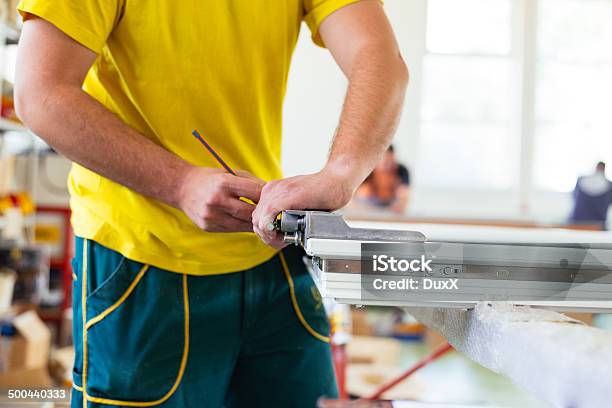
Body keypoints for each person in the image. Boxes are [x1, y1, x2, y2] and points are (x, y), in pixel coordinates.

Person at [14, 1, 408, 407]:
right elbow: (40, 91)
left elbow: (379, 57)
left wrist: (340, 175)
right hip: (141, 260)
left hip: (268, 251)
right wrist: (179, 182)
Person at [354, 145, 410, 214]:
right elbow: (351, 204)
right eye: (384, 162)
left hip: (389, 212)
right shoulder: (365, 171)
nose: (386, 167)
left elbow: (403, 202)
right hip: (365, 211)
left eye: (389, 162)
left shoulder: (401, 171)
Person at [569, 162, 612, 230]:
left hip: (575, 222)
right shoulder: (609, 186)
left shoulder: (581, 180)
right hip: (598, 225)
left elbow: (573, 197)